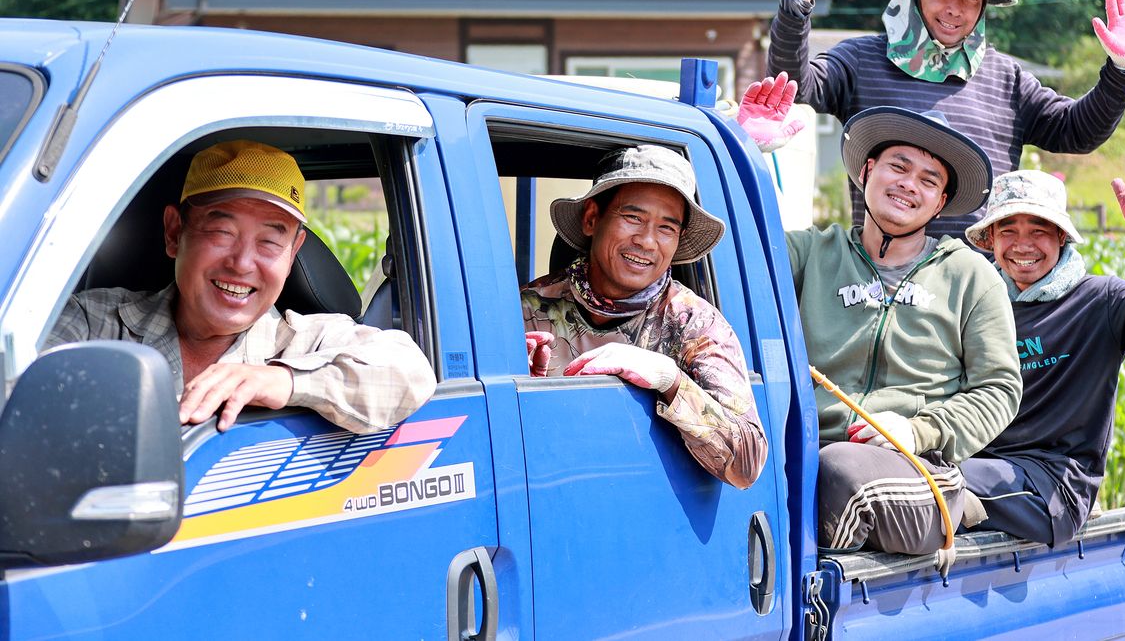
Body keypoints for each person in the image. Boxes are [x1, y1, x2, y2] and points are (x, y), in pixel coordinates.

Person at [764, 0, 1125, 240]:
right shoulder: (863, 58)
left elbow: (1077, 132)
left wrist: (1122, 69)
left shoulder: (1004, 77)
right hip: (881, 274)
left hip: (977, 284)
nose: (955, 9)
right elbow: (791, 87)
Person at [46, 140, 436, 434]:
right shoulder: (94, 321)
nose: (243, 263)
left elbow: (411, 374)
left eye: (270, 241)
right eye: (221, 231)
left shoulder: (305, 339)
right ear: (174, 232)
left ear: (293, 252)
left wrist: (283, 381)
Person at [780, 103, 1021, 558]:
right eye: (899, 166)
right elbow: (728, 252)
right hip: (810, 445)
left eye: (929, 180)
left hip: (920, 471)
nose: (910, 184)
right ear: (868, 169)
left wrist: (918, 430)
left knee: (837, 473)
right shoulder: (814, 252)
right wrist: (748, 150)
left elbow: (1000, 388)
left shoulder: (969, 275)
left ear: (941, 202)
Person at [958, 170, 1125, 546]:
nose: (1023, 245)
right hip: (974, 466)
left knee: (926, 486)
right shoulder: (976, 302)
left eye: (1039, 230)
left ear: (1061, 236)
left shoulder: (1100, 301)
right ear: (990, 239)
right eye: (1008, 230)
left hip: (1052, 487)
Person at [521, 145, 768, 490]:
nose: (647, 241)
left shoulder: (694, 324)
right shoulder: (528, 308)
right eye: (633, 218)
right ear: (592, 219)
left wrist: (671, 382)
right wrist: (524, 391)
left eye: (666, 228)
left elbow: (747, 463)